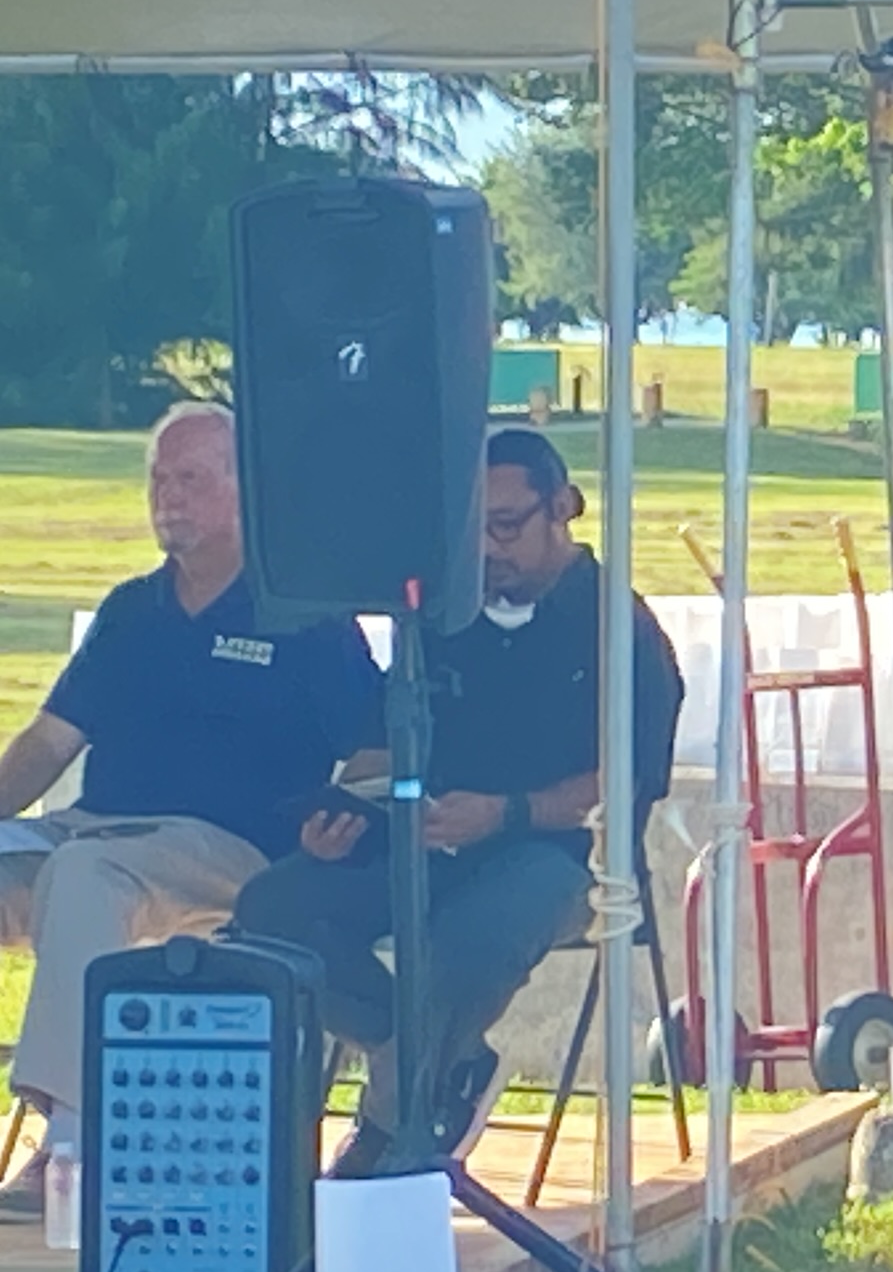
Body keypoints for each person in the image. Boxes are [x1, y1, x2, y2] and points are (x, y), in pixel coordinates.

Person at [225, 427, 682, 1172]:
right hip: (424, 837)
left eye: (507, 526)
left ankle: (388, 1129)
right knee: (274, 911)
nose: (491, 549)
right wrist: (342, 810)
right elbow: (379, 740)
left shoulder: (617, 625)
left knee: (467, 943)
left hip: (562, 857)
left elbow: (622, 780)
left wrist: (505, 812)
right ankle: (442, 1062)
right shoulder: (441, 616)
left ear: (563, 507)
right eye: (477, 530)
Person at [0, 403, 379, 1219]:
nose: (168, 498)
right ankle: (74, 1123)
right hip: (97, 835)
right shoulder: (132, 611)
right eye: (159, 480)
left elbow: (374, 746)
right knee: (69, 864)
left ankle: (71, 1143)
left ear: (249, 493)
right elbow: (47, 743)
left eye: (192, 480)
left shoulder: (307, 619)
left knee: (83, 873)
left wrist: (343, 821)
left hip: (231, 854)